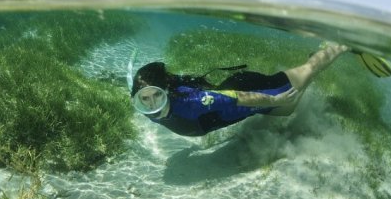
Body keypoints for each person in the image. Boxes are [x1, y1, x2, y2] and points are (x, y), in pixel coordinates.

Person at [130, 43, 353, 137]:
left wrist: (276, 98)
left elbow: (239, 97)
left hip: (247, 88)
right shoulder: (146, 104)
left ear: (166, 91)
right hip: (235, 92)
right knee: (287, 110)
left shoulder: (196, 103)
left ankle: (342, 45)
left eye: (157, 96)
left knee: (295, 91)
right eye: (145, 99)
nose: (152, 105)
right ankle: (311, 68)